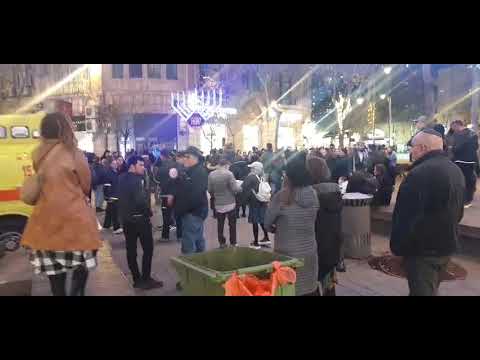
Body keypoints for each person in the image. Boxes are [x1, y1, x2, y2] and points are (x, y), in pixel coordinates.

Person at [21, 112, 102, 296]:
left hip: (46, 227)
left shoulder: (37, 154)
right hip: (76, 226)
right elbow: (86, 185)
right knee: (80, 275)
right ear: (65, 129)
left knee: (56, 285)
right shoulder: (74, 153)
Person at [390, 129, 465, 296]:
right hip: (445, 245)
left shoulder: (419, 174)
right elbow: (459, 210)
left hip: (423, 251)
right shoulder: (455, 170)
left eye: (413, 147)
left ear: (423, 148)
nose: (410, 150)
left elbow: (406, 217)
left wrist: (398, 248)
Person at [265, 152, 319, 296]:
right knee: (308, 287)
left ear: (289, 177)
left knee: (289, 288)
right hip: (309, 250)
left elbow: (266, 223)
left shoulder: (281, 197)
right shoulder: (314, 195)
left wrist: (275, 227)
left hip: (286, 254)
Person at [118, 156, 163, 290]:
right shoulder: (138, 180)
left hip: (127, 220)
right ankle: (146, 278)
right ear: (132, 166)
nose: (143, 167)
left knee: (131, 250)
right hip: (140, 220)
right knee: (148, 249)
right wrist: (149, 212)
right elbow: (140, 200)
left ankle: (137, 279)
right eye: (141, 165)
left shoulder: (121, 178)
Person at [307, 155, 343, 296]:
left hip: (315, 248)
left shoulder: (309, 195)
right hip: (333, 247)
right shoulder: (336, 192)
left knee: (312, 286)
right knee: (328, 286)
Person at [173, 146, 209, 255]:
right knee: (198, 241)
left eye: (187, 157)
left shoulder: (198, 172)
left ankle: (191, 268)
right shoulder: (192, 171)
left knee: (189, 246)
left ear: (196, 158)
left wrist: (181, 210)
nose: (185, 159)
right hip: (194, 212)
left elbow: (194, 196)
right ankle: (200, 265)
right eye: (184, 157)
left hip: (192, 212)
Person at [208, 157, 242, 248]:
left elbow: (210, 189)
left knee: (220, 225)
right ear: (226, 165)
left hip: (218, 203)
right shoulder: (229, 174)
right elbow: (235, 189)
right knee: (232, 224)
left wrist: (215, 195)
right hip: (230, 203)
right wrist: (240, 187)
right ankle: (233, 242)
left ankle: (222, 242)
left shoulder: (211, 174)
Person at [241, 161, 271, 249]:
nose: (250, 169)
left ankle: (256, 242)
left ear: (255, 169)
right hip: (262, 202)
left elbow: (243, 188)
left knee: (255, 222)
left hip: (254, 203)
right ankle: (266, 238)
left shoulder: (250, 177)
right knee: (262, 221)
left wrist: (243, 202)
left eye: (252, 168)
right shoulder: (262, 177)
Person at [451, 120, 479, 208]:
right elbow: (476, 147)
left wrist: (452, 148)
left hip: (461, 160)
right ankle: (468, 200)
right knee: (470, 181)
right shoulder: (473, 134)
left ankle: (465, 200)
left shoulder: (460, 135)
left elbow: (457, 148)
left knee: (462, 181)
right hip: (471, 160)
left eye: (453, 128)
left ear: (457, 126)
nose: (453, 130)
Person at [153, 149, 178, 241]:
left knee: (166, 215)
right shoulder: (176, 165)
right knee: (177, 214)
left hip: (165, 194)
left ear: (162, 156)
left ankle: (165, 236)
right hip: (175, 194)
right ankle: (180, 234)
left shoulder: (161, 168)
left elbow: (157, 179)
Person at [103, 158, 122, 234]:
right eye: (114, 163)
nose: (116, 165)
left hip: (115, 193)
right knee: (115, 211)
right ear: (110, 164)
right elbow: (107, 185)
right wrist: (108, 196)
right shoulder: (109, 173)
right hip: (112, 195)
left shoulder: (115, 172)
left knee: (109, 210)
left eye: (116, 163)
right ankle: (116, 228)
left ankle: (106, 225)